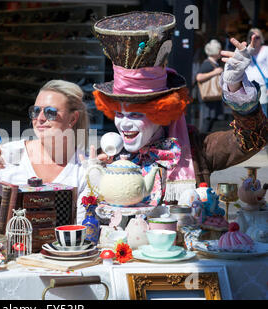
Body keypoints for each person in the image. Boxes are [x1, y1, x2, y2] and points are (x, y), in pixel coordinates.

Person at [90, 12, 266, 207]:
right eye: (118, 113)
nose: (124, 123)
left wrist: (235, 86)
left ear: (161, 112)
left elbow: (252, 139)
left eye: (136, 114)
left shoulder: (195, 148)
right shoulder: (109, 155)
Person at [0, 79, 92, 224]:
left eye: (50, 112)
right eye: (36, 111)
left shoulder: (84, 169)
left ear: (72, 119)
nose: (40, 118)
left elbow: (83, 226)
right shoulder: (9, 154)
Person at [195, 39, 225, 132]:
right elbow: (198, 77)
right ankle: (202, 142)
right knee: (206, 121)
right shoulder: (207, 64)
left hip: (212, 98)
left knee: (209, 121)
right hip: (208, 98)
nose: (221, 52)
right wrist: (214, 72)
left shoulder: (213, 63)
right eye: (219, 49)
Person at [245, 28, 268, 117]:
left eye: (257, 37)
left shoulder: (266, 50)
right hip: (248, 86)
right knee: (250, 111)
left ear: (261, 38)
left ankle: (265, 130)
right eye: (252, 37)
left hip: (262, 85)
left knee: (263, 110)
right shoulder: (246, 51)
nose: (254, 39)